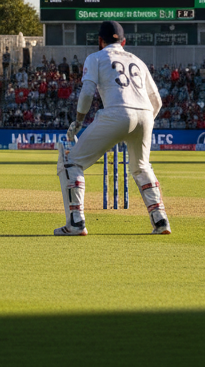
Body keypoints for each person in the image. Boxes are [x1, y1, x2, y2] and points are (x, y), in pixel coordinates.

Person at [56, 20, 169, 236]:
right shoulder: (138, 60)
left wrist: (78, 122)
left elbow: (87, 92)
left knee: (71, 162)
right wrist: (145, 123)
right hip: (146, 114)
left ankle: (76, 223)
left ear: (100, 41)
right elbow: (157, 102)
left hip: (117, 112)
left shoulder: (96, 57)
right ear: (124, 42)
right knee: (142, 167)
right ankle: (160, 220)